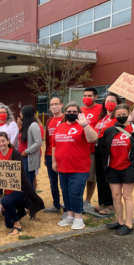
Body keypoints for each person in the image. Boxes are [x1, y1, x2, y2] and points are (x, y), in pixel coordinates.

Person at [99, 104, 134, 235]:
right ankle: (120, 222)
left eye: (124, 114)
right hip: (113, 168)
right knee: (115, 196)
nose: (121, 116)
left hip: (129, 168)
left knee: (127, 196)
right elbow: (103, 148)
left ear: (129, 113)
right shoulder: (109, 131)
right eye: (119, 114)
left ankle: (129, 225)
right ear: (114, 115)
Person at [94, 93, 134, 215]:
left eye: (112, 101)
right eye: (107, 101)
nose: (108, 103)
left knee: (108, 178)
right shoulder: (103, 118)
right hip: (99, 150)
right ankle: (103, 203)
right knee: (100, 178)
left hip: (112, 150)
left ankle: (111, 205)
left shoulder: (119, 117)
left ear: (117, 104)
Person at [52, 102, 98, 230]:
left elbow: (93, 138)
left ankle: (78, 218)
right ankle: (70, 215)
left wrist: (85, 125)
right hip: (63, 167)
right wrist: (54, 162)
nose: (71, 113)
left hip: (79, 168)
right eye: (68, 111)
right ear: (65, 113)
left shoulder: (82, 126)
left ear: (79, 113)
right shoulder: (60, 127)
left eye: (74, 111)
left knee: (75, 193)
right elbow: (54, 145)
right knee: (66, 192)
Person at [0, 132, 44, 235]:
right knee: (8, 223)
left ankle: (17, 225)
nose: (1, 143)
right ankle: (22, 212)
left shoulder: (15, 154)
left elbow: (21, 176)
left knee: (6, 201)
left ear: (8, 141)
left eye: (3, 141)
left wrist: (3, 166)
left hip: (20, 190)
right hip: (8, 192)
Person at [81, 88, 102, 211]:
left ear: (95, 97)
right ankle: (77, 199)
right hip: (80, 149)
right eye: (84, 95)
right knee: (79, 176)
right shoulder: (80, 110)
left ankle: (87, 201)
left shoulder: (100, 109)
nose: (86, 98)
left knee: (91, 177)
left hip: (93, 149)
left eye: (89, 95)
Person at [44, 97, 64, 213]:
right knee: (53, 182)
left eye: (56, 104)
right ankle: (56, 205)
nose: (54, 106)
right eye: (52, 104)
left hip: (62, 155)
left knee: (63, 182)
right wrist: (46, 157)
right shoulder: (49, 121)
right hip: (49, 155)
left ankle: (67, 205)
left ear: (61, 105)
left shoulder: (65, 119)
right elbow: (47, 140)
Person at [17, 105, 42, 188]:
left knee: (29, 182)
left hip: (28, 158)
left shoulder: (34, 125)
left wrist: (26, 152)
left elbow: (38, 143)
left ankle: (31, 200)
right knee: (24, 181)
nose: (20, 114)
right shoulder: (25, 125)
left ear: (26, 113)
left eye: (21, 112)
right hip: (23, 157)